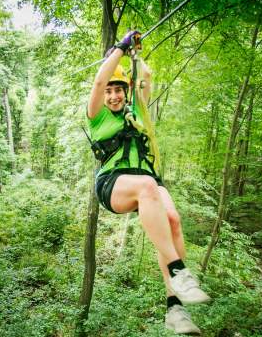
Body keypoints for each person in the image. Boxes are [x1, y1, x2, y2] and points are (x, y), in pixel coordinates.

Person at [86, 31, 211, 334]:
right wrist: (120, 48)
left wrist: (137, 56)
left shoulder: (137, 111)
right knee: (147, 187)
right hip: (112, 184)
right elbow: (99, 81)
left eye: (119, 90)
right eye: (110, 92)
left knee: (172, 221)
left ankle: (175, 309)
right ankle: (179, 270)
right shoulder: (97, 116)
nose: (114, 95)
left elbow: (147, 77)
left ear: (126, 91)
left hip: (149, 181)